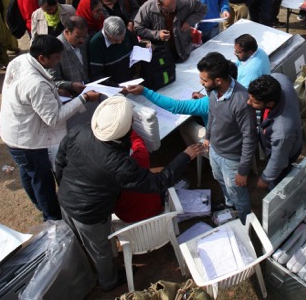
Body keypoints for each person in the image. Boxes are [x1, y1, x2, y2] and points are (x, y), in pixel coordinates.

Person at [56, 96, 204, 291]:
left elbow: (59, 162)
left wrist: (65, 186)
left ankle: (84, 263)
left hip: (65, 197)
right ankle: (108, 281)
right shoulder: (119, 164)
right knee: (100, 249)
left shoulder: (79, 130)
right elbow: (158, 182)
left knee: (81, 239)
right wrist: (184, 156)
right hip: (90, 212)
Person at [0, 35, 98, 221]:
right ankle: (52, 217)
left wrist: (55, 89)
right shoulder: (36, 84)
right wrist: (83, 99)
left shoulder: (21, 60)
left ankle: (39, 205)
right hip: (27, 140)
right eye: (56, 57)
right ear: (42, 58)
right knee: (42, 180)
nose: (59, 60)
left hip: (13, 131)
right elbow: (54, 119)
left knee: (28, 172)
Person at [198, 52, 257, 221]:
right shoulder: (212, 92)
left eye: (204, 80)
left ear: (218, 81)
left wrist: (243, 171)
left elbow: (249, 138)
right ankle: (230, 207)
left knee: (237, 191)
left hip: (232, 158)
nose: (201, 83)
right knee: (221, 181)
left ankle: (245, 221)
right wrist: (208, 136)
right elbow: (212, 115)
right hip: (215, 150)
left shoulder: (241, 101)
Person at [247, 74, 303, 189]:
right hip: (289, 136)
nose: (249, 103)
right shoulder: (279, 80)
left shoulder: (281, 131)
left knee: (277, 180)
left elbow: (279, 160)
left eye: (255, 102)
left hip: (287, 151)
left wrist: (265, 178)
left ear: (270, 104)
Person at [134, 0, 208, 63]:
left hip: (183, 50)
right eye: (169, 9)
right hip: (161, 54)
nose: (173, 10)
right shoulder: (147, 9)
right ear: (159, 5)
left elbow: (203, 9)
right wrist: (157, 34)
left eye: (175, 6)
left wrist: (189, 22)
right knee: (166, 74)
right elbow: (137, 28)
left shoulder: (186, 1)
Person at [88, 16, 139, 84]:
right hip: (114, 88)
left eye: (122, 38)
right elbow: (96, 75)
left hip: (132, 81)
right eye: (115, 40)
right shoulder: (96, 44)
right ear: (106, 34)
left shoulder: (124, 31)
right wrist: (116, 87)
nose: (120, 42)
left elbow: (135, 46)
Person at [48, 16, 89, 96]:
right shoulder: (55, 49)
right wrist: (71, 85)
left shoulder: (84, 41)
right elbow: (52, 81)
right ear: (67, 32)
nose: (82, 40)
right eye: (78, 37)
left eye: (84, 36)